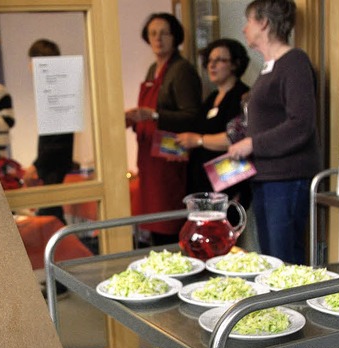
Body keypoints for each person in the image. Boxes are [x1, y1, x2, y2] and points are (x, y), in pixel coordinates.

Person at [227, 0, 320, 264]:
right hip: (267, 178)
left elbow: (301, 123)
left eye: (249, 21)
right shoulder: (271, 68)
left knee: (285, 260)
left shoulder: (294, 62)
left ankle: (294, 306)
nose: (244, 29)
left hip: (287, 179)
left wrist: (252, 144)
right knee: (271, 259)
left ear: (264, 23)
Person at [125, 12, 202, 245]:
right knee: (153, 224)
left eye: (164, 33)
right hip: (149, 161)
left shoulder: (182, 70)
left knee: (169, 224)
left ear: (175, 37)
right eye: (153, 34)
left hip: (170, 162)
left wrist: (155, 115)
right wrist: (135, 118)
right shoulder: (152, 69)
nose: (158, 39)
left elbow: (192, 116)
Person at [175, 38, 252, 215]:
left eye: (220, 60)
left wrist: (199, 140)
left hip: (229, 183)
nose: (212, 65)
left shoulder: (242, 96)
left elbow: (236, 137)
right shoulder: (211, 97)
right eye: (210, 60)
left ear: (235, 64)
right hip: (203, 183)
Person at [23, 39, 74, 224]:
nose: (29, 67)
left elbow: (58, 141)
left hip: (54, 166)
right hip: (52, 165)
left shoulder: (57, 94)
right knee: (51, 213)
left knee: (50, 214)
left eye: (32, 61)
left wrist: (36, 164)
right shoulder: (53, 92)